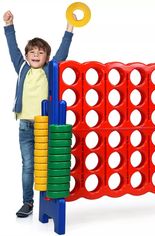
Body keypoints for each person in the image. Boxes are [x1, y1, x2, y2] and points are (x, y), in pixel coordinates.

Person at [3, 10, 74, 217]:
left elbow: (63, 51)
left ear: (47, 58)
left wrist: (70, 27)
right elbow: (11, 48)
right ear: (26, 56)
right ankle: (27, 202)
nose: (35, 55)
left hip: (46, 126)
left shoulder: (49, 70)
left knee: (48, 164)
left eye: (40, 52)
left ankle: (50, 199)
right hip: (25, 125)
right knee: (28, 166)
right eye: (32, 52)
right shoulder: (22, 68)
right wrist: (8, 25)